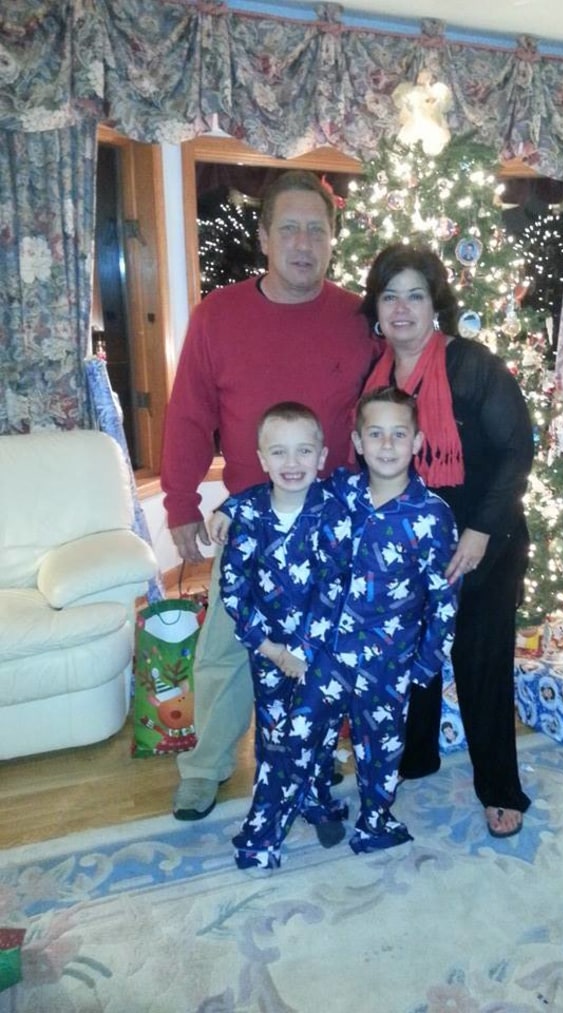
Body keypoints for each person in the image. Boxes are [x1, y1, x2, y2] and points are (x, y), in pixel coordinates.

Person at [160, 170, 378, 821]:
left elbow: (387, 409)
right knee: (227, 651)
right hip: (253, 526)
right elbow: (190, 415)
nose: (303, 242)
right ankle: (204, 768)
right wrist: (178, 503)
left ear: (333, 239)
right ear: (263, 236)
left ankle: (318, 751)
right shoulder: (218, 316)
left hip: (331, 524)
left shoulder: (356, 319)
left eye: (317, 229)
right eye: (289, 227)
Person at [232, 387, 460, 868]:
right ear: (357, 442)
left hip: (389, 663)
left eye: (399, 434)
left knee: (381, 750)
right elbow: (278, 491)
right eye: (375, 434)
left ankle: (376, 820)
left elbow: (444, 596)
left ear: (417, 441)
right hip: (328, 655)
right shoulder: (339, 491)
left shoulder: (433, 516)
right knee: (294, 739)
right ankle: (261, 834)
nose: (387, 444)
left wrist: (426, 661)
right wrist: (227, 508)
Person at [359, 244, 535, 839]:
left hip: (483, 540)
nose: (402, 308)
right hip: (414, 545)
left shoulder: (471, 365)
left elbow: (518, 451)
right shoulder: (377, 375)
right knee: (415, 655)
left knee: (480, 662)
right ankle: (416, 756)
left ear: (436, 304)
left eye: (416, 294)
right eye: (390, 295)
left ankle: (500, 789)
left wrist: (480, 532)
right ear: (376, 307)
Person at [214, 402, 354, 851]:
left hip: (320, 653)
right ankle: (267, 818)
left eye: (303, 451)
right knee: (275, 736)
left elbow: (336, 589)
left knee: (318, 731)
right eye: (279, 453)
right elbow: (233, 590)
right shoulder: (249, 514)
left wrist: (305, 651)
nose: (292, 464)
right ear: (261, 459)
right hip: (268, 652)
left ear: (322, 455)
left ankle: (316, 799)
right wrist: (272, 649)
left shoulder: (334, 512)